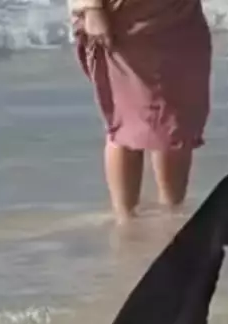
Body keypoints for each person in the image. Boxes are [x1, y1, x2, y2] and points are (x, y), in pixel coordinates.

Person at [70, 0, 214, 222]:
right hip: (125, 19)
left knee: (177, 119)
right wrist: (92, 8)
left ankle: (172, 212)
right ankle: (125, 217)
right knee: (127, 122)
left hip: (179, 16)